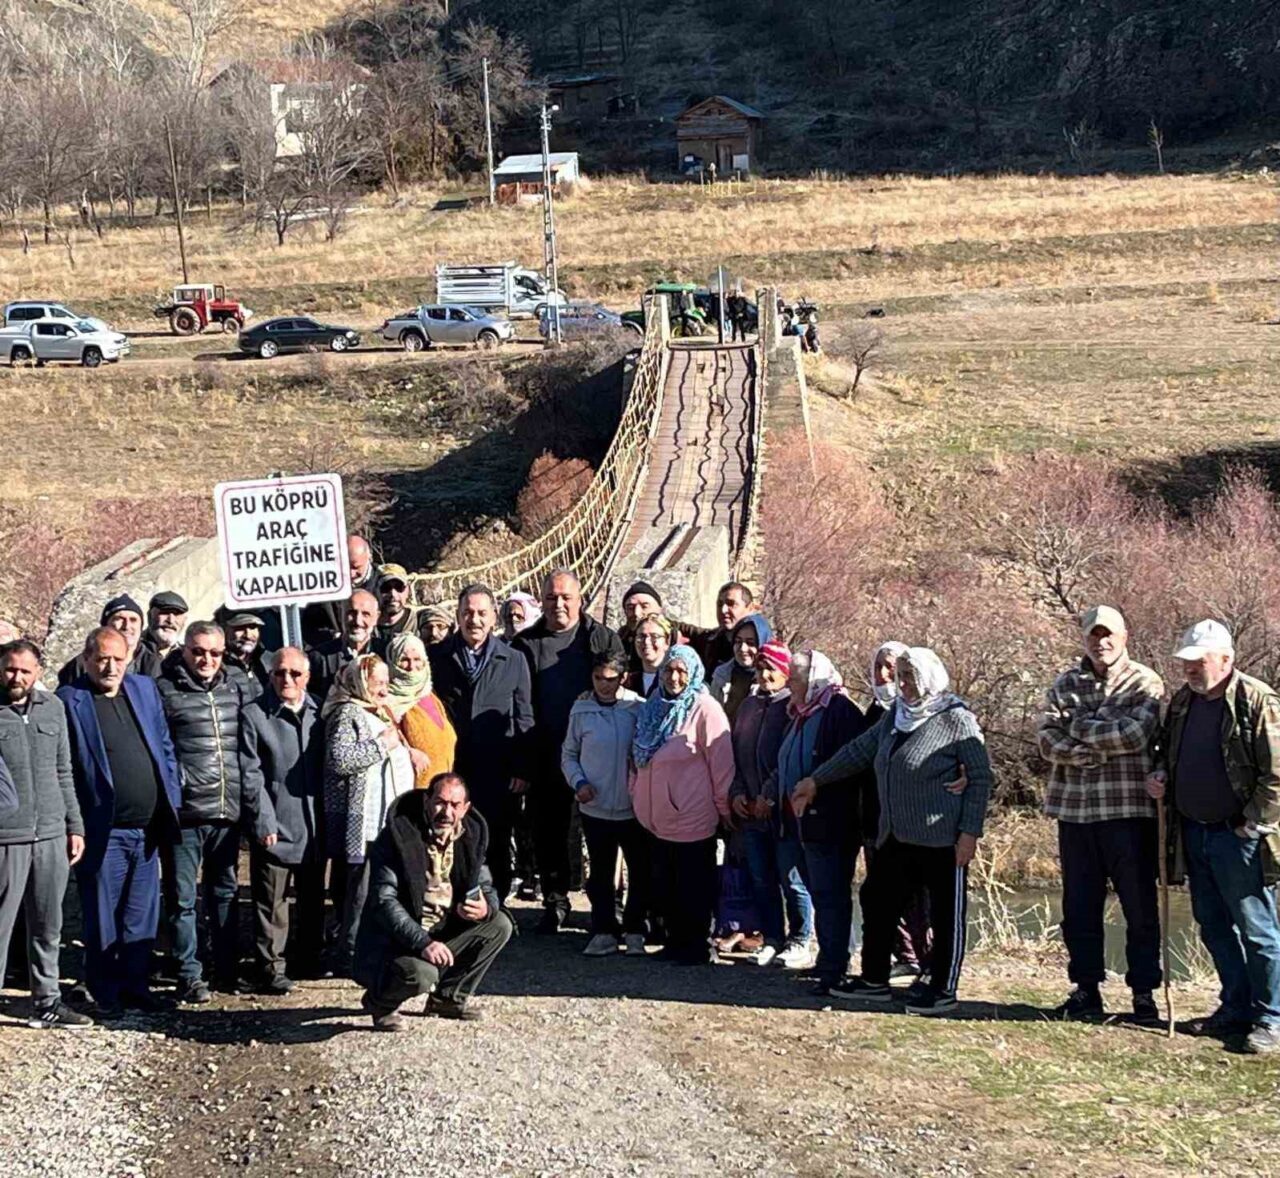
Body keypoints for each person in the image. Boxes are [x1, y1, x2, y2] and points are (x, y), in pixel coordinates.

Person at [794, 647, 993, 1015]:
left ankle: (942, 988)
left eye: (910, 677)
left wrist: (969, 833)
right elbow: (858, 751)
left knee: (946, 916)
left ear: (929, 677)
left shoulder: (955, 718)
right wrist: (816, 780)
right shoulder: (894, 718)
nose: (903, 684)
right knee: (878, 901)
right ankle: (874, 980)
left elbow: (980, 778)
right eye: (900, 677)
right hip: (895, 836)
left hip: (941, 838)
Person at [1147, 620, 1280, 1054]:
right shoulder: (1183, 703)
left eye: (1197, 661)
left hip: (1237, 836)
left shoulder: (1256, 700)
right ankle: (1235, 1006)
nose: (1188, 668)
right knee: (1215, 926)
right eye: (1185, 661)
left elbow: (1276, 774)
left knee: (1257, 929)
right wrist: (1161, 774)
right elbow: (1166, 752)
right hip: (1193, 832)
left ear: (1225, 659)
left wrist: (1252, 824)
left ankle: (1271, 1018)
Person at [1038, 606, 1165, 1025]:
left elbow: (1135, 734)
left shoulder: (1145, 681)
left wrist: (1076, 727)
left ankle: (1144, 993)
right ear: (1084, 638)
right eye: (1094, 635)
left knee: (1139, 906)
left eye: (1108, 634)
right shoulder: (1064, 683)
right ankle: (1086, 990)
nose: (1101, 642)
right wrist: (1085, 745)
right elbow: (1045, 740)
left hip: (1128, 812)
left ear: (1125, 636)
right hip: (1075, 813)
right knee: (1079, 907)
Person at [58, 628, 182, 1015]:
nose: (110, 666)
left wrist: (171, 798)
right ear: (87, 659)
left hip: (147, 829)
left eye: (117, 658)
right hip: (103, 830)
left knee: (140, 915)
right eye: (102, 659)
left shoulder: (144, 689)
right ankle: (104, 991)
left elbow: (164, 747)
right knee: (102, 916)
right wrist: (73, 824)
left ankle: (135, 986)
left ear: (129, 657)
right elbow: (65, 768)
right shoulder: (70, 701)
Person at [354, 772, 513, 1029]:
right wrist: (422, 942)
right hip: (400, 940)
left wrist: (486, 908)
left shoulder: (470, 836)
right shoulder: (399, 836)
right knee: (421, 974)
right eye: (440, 802)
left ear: (465, 809)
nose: (446, 812)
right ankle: (379, 1002)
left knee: (500, 925)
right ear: (427, 800)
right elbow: (384, 900)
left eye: (454, 805)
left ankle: (448, 999)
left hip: (444, 930)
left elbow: (486, 885)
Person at [514, 570, 624, 933]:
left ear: (580, 599)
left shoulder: (601, 640)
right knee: (549, 830)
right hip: (546, 751)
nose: (558, 604)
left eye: (565, 597)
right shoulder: (525, 644)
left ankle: (605, 907)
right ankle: (555, 899)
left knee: (602, 830)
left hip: (597, 755)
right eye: (550, 598)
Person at [158, 620, 260, 1002]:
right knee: (183, 899)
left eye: (215, 653)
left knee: (225, 893)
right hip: (186, 814)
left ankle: (228, 970)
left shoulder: (236, 689)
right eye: (198, 651)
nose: (206, 659)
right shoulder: (165, 691)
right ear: (184, 650)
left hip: (226, 808)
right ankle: (188, 973)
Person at [0, 639, 88, 1029]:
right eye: (9, 669)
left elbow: (64, 771)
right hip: (7, 838)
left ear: (38, 672)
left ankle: (46, 1003)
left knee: (47, 925)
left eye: (24, 670)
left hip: (52, 834)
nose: (16, 677)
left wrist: (75, 825)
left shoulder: (54, 709)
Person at [431, 585, 534, 906]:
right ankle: (452, 904)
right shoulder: (437, 657)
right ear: (458, 616)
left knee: (496, 838)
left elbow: (524, 716)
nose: (474, 619)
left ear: (493, 618)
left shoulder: (514, 659)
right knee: (450, 837)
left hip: (498, 767)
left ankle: (496, 906)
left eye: (481, 613)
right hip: (452, 767)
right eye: (467, 613)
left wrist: (522, 766)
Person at [631, 645, 734, 964]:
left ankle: (696, 945)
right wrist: (635, 793)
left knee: (693, 886)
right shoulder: (654, 706)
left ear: (693, 675)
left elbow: (722, 764)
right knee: (665, 885)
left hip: (692, 815)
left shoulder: (706, 709)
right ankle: (675, 941)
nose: (674, 678)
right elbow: (639, 758)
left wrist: (724, 808)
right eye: (668, 671)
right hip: (656, 818)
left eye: (681, 672)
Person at [774, 649, 870, 981]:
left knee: (831, 894)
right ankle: (829, 957)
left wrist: (816, 785)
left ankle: (835, 966)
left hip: (830, 822)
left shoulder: (839, 711)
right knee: (819, 891)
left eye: (795, 679)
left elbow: (849, 764)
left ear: (814, 679)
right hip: (801, 822)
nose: (790, 684)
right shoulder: (800, 712)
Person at [240, 647, 326, 993]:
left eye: (294, 673)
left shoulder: (321, 712)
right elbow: (251, 774)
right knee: (271, 902)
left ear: (306, 677)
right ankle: (270, 966)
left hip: (314, 824)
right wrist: (263, 821)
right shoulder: (255, 715)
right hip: (276, 823)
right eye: (279, 673)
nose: (286, 679)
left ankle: (308, 959)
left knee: (312, 899)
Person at [323, 653, 415, 972]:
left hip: (386, 818)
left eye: (386, 683)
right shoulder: (347, 712)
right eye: (376, 682)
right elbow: (339, 760)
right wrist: (381, 746)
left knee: (383, 890)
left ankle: (375, 950)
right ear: (360, 681)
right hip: (363, 821)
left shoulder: (378, 710)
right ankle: (349, 954)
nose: (382, 689)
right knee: (360, 892)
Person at [561, 650, 647, 957]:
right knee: (599, 871)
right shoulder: (581, 709)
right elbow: (569, 753)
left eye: (611, 679)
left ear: (622, 678)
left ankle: (635, 929)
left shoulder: (638, 708)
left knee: (639, 869)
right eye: (598, 678)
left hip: (632, 806)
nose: (604, 685)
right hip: (593, 806)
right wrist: (579, 782)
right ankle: (603, 928)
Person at [727, 638, 793, 967]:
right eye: (762, 668)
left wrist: (769, 793)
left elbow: (788, 757)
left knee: (790, 879)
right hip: (749, 810)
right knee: (760, 877)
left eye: (773, 669)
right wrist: (738, 792)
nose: (766, 675)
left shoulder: (791, 706)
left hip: (780, 811)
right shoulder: (748, 707)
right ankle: (772, 936)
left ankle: (801, 938)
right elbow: (737, 755)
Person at [384, 633, 456, 786]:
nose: (411, 667)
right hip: (411, 795)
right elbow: (387, 743)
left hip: (438, 794)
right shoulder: (387, 702)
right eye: (404, 660)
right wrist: (408, 752)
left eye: (417, 659)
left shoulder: (430, 695)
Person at [58, 595, 162, 685]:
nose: (127, 626)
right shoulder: (82, 664)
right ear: (105, 625)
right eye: (119, 619)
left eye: (133, 620)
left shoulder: (155, 661)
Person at [302, 534, 378, 647]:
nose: (351, 573)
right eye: (345, 566)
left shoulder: (384, 585)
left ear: (369, 558)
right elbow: (309, 625)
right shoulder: (322, 586)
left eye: (356, 567)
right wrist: (331, 637)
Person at [308, 589, 380, 703]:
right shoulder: (319, 657)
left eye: (365, 614)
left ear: (376, 617)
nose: (358, 621)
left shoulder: (385, 653)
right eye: (352, 613)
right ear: (341, 614)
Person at [679, 581, 757, 676]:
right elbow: (685, 629)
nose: (723, 610)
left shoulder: (763, 650)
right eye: (720, 604)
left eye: (731, 604)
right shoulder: (710, 640)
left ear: (750, 608)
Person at [710, 614, 775, 724]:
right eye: (738, 641)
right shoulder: (721, 675)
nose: (743, 649)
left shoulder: (771, 679)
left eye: (750, 643)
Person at [217, 606, 270, 698]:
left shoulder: (269, 661)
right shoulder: (216, 664)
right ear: (225, 629)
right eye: (240, 627)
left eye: (253, 627)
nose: (248, 635)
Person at [375, 563, 422, 646]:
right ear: (376, 591)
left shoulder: (419, 624)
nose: (393, 594)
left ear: (408, 590)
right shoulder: (367, 628)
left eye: (399, 587)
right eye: (386, 588)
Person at [628, 615, 673, 699]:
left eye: (654, 636)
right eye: (641, 636)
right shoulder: (628, 682)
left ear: (667, 641)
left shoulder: (674, 680)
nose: (646, 642)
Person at [139, 591, 188, 669]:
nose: (171, 620)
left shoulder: (187, 656)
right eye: (165, 612)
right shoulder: (133, 649)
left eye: (176, 614)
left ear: (184, 621)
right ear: (150, 616)